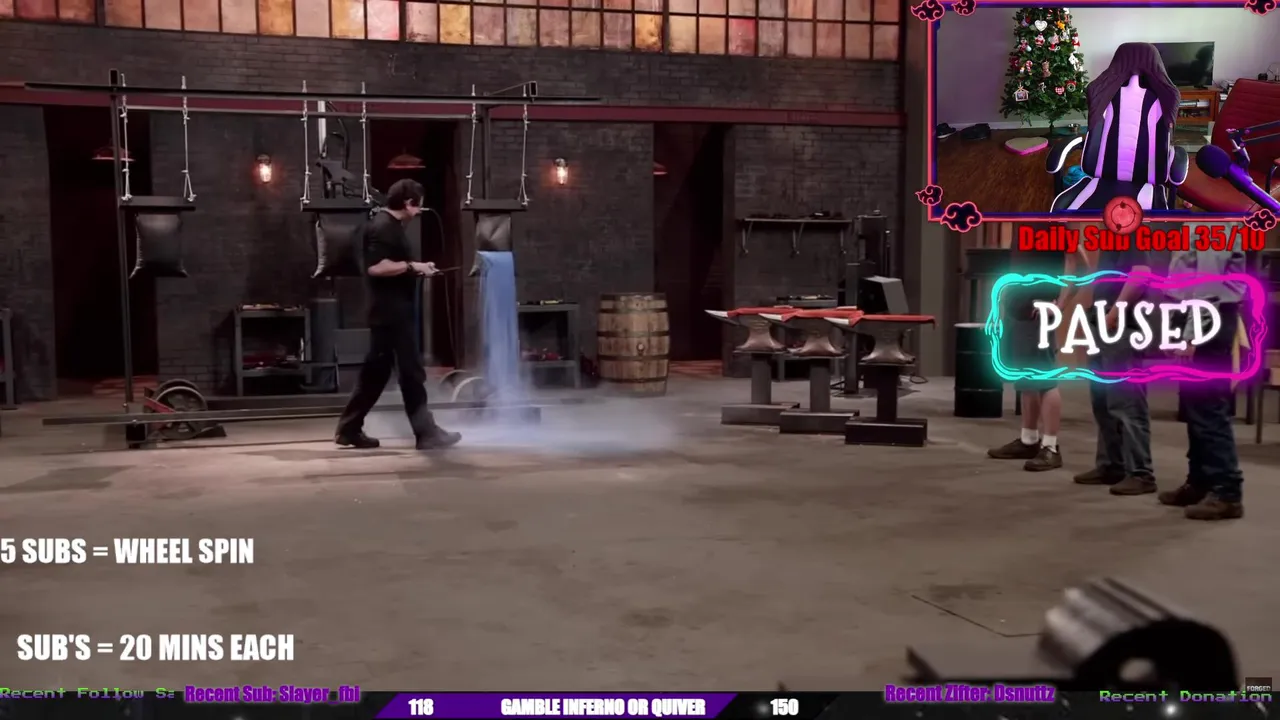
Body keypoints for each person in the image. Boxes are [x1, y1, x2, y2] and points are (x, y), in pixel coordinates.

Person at [334, 179, 462, 451]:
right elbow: (376, 267)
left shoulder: (388, 226)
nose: (420, 210)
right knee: (411, 372)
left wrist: (418, 267)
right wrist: (412, 266)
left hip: (387, 312)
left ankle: (349, 429)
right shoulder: (384, 227)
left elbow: (391, 265)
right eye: (419, 205)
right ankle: (426, 433)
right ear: (408, 203)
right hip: (392, 313)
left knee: (375, 374)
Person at [1158, 239, 1245, 520]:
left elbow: (1208, 286)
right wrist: (1175, 328)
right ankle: (1200, 482)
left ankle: (1227, 492)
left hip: (1210, 318)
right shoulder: (1195, 222)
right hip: (1195, 315)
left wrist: (1193, 334)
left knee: (1209, 410)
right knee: (1195, 410)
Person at [987, 224, 1084, 471]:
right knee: (1026, 376)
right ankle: (1028, 439)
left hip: (1039, 310)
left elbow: (1078, 261)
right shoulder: (1023, 221)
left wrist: (1060, 304)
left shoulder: (1053, 219)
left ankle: (1051, 447)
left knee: (1045, 379)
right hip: (1017, 309)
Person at [1073, 243, 1154, 494]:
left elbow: (1141, 274)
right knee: (1102, 402)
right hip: (1101, 320)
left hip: (1121, 325)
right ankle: (1111, 465)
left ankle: (1141, 473)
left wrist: (1116, 311)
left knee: (1127, 403)